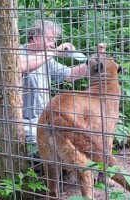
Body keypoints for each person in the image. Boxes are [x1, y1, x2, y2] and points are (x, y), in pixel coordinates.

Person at [19, 19, 88, 154]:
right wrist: (55, 52)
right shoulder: (18, 52)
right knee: (53, 147)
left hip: (45, 119)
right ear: (35, 37)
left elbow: (69, 74)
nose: (53, 43)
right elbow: (23, 65)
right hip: (24, 123)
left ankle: (69, 173)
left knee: (73, 140)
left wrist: (92, 64)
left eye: (54, 40)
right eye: (50, 39)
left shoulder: (45, 56)